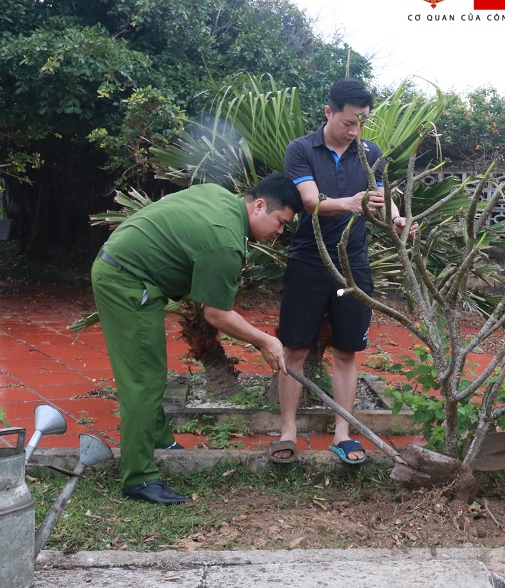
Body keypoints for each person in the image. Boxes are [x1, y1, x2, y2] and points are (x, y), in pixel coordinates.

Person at [91, 173, 302, 505]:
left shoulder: (220, 195)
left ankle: (160, 441)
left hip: (124, 267)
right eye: (280, 222)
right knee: (142, 380)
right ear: (259, 205)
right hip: (127, 281)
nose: (280, 232)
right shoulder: (225, 242)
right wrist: (265, 340)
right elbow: (216, 314)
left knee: (149, 372)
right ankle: (139, 479)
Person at [271, 79, 412, 465]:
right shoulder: (301, 149)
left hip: (354, 265)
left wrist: (397, 220)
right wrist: (350, 202)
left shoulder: (370, 152)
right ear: (328, 112)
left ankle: (342, 433)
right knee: (295, 349)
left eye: (361, 122)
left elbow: (382, 199)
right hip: (309, 261)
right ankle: (288, 432)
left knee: (347, 351)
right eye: (349, 122)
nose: (354, 131)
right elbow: (310, 201)